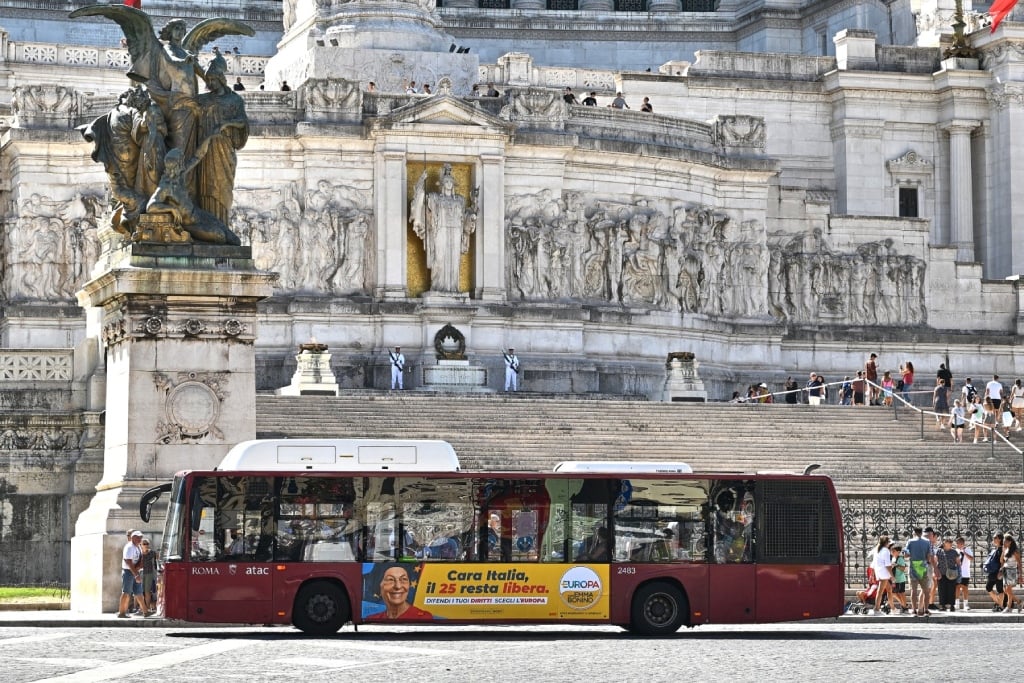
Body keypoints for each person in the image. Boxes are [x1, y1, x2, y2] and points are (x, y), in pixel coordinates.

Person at [366, 564, 433, 620]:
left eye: (403, 579)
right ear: (379, 585)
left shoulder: (423, 617)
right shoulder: (372, 619)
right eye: (390, 579)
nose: (398, 586)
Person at [905, 526, 934, 617]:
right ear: (921, 532)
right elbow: (929, 555)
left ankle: (914, 610)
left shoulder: (910, 541)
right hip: (923, 565)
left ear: (914, 532)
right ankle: (925, 610)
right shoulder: (927, 542)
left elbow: (906, 554)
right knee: (925, 590)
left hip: (913, 565)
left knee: (913, 590)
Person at [118, 530, 144, 618]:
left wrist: (138, 568)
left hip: (136, 571)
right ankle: (122, 612)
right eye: (137, 537)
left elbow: (140, 558)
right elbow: (128, 561)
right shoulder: (129, 547)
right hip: (128, 571)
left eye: (141, 537)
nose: (139, 539)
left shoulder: (138, 547)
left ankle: (145, 611)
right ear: (132, 537)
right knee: (126, 592)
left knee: (139, 592)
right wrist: (136, 574)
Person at [935, 537, 959, 611]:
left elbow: (958, 562)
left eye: (950, 543)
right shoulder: (939, 551)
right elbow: (935, 561)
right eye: (948, 542)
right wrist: (935, 572)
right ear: (944, 543)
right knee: (942, 590)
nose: (950, 544)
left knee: (951, 590)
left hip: (952, 574)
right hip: (941, 573)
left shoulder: (954, 552)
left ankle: (952, 605)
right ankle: (943, 605)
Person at [871, 535, 893, 615]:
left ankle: (893, 607)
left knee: (889, 590)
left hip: (879, 572)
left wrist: (873, 574)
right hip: (884, 573)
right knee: (880, 591)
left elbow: (873, 563)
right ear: (886, 543)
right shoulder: (886, 550)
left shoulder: (877, 549)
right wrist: (892, 576)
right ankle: (876, 608)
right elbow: (887, 565)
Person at [985, 533, 1007, 611]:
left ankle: (1000, 606)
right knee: (988, 587)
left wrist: (1000, 571)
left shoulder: (1002, 549)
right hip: (993, 572)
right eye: (993, 538)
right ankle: (998, 603)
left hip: (999, 572)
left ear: (1000, 539)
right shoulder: (996, 549)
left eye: (995, 538)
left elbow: (1003, 561)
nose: (993, 539)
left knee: (1000, 589)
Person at [1002, 533, 1022, 612]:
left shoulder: (1015, 551)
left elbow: (1019, 563)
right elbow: (1002, 560)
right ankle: (1019, 601)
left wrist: (1021, 575)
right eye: (1003, 541)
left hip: (1011, 571)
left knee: (1008, 589)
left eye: (1005, 541)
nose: (1004, 542)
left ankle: (1008, 607)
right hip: (1005, 570)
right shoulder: (1006, 549)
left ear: (1010, 541)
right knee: (1005, 590)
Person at [139, 537, 158, 616]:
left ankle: (146, 608)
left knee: (147, 592)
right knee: (139, 592)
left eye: (147, 544)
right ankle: (140, 608)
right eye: (144, 544)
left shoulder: (152, 553)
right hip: (140, 573)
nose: (146, 545)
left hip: (149, 574)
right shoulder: (139, 553)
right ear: (141, 545)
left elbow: (158, 558)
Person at [955, 536, 973, 610]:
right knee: (957, 587)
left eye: (960, 543)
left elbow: (971, 558)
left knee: (965, 588)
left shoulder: (968, 550)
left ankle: (966, 604)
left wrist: (964, 552)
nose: (958, 545)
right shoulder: (955, 551)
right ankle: (957, 604)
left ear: (963, 543)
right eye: (957, 543)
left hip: (965, 572)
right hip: (957, 572)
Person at [891, 543, 909, 614]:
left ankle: (904, 607)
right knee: (893, 593)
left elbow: (903, 568)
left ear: (898, 552)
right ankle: (904, 604)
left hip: (900, 579)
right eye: (891, 551)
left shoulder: (900, 558)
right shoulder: (893, 558)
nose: (892, 552)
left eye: (893, 551)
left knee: (901, 593)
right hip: (895, 579)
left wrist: (896, 565)